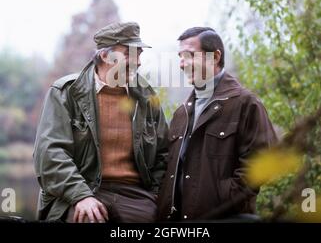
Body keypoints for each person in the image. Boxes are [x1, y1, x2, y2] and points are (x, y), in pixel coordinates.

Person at [34, 22, 168, 223]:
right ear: (105, 56)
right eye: (130, 54)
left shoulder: (146, 97)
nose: (138, 62)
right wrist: (81, 195)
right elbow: (50, 154)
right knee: (88, 219)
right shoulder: (65, 93)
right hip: (81, 191)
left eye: (139, 54)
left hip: (135, 196)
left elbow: (164, 153)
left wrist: (156, 195)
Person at [157, 27, 277, 221]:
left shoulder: (245, 103)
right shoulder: (182, 113)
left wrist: (224, 199)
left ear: (215, 56)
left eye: (189, 55)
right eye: (180, 56)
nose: (182, 64)